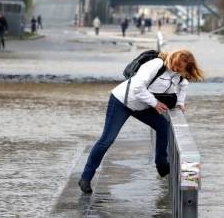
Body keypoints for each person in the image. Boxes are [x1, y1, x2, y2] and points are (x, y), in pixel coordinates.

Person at [78, 50, 205, 194]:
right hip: (122, 102)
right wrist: (155, 103)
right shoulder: (156, 64)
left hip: (142, 106)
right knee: (107, 140)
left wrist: (180, 103)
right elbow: (136, 87)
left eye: (179, 68)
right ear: (172, 59)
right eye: (174, 65)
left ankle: (162, 165)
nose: (175, 69)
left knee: (163, 126)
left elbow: (184, 85)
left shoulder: (179, 76)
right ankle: (85, 178)